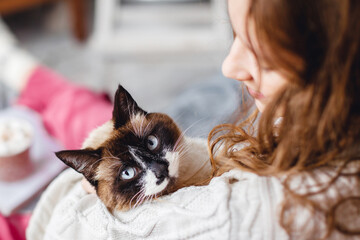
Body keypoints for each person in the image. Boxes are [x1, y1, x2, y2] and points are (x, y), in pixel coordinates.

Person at [2, 0, 359, 238]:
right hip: (160, 153)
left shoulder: (251, 215)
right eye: (235, 37)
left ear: (335, 66)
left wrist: (86, 182)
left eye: (261, 52)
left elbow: (67, 227)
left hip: (56, 210)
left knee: (86, 117)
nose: (228, 67)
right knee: (100, 118)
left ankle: (27, 74)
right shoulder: (332, 124)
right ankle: (27, 74)